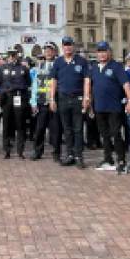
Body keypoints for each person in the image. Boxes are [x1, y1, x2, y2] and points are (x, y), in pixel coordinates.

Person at [86, 41, 130, 174]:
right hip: (99, 107)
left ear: (109, 52)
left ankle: (121, 161)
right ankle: (108, 159)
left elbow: (126, 84)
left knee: (116, 134)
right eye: (99, 52)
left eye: (104, 51)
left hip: (114, 107)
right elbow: (89, 84)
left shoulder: (116, 66)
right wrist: (88, 101)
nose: (102, 54)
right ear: (97, 53)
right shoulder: (94, 67)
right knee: (104, 135)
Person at [50, 36, 88, 168]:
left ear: (73, 46)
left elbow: (86, 80)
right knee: (67, 129)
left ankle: (79, 156)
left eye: (70, 44)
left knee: (78, 129)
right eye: (65, 45)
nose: (67, 47)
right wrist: (52, 98)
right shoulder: (58, 62)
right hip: (63, 98)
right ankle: (69, 155)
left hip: (77, 98)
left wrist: (86, 97)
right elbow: (53, 81)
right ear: (62, 47)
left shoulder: (82, 61)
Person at [0, 47, 31, 159]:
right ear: (7, 55)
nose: (11, 56)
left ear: (17, 55)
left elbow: (28, 83)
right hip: (6, 99)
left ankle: (20, 151)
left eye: (13, 54)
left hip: (19, 98)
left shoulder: (23, 68)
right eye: (9, 54)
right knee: (6, 125)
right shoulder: (2, 68)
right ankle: (7, 150)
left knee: (20, 125)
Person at [30, 42, 61, 161]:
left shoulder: (58, 66)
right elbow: (34, 86)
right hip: (42, 102)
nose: (48, 52)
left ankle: (56, 153)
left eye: (50, 50)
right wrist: (33, 102)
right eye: (46, 50)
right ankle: (37, 151)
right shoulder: (39, 67)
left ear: (54, 52)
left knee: (56, 130)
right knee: (39, 129)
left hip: (54, 103)